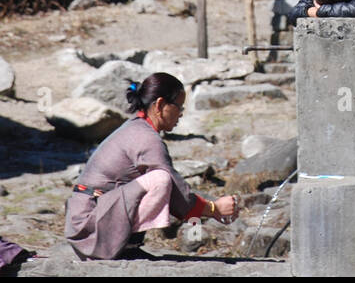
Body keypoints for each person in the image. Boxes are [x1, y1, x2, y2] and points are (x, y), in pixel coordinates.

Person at [64, 72, 239, 260]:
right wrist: (214, 209)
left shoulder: (136, 128)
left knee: (159, 179)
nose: (181, 114)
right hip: (90, 228)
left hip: (90, 219)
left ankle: (127, 245)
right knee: (160, 179)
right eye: (179, 107)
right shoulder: (146, 138)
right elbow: (178, 193)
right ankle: (124, 246)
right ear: (160, 105)